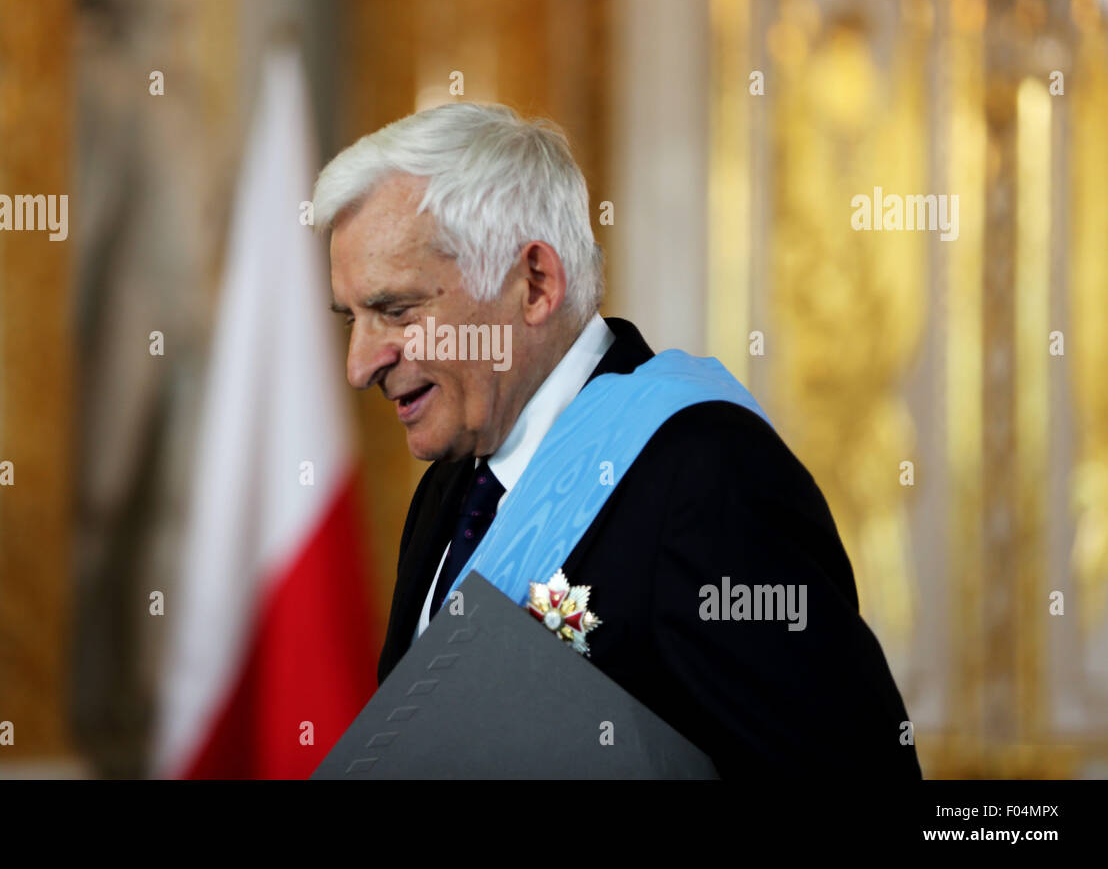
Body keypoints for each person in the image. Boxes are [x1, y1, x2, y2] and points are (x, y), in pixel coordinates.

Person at [312, 102, 920, 777]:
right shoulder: (449, 491)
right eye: (352, 320)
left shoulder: (709, 480)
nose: (360, 364)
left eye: (395, 312)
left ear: (535, 284)